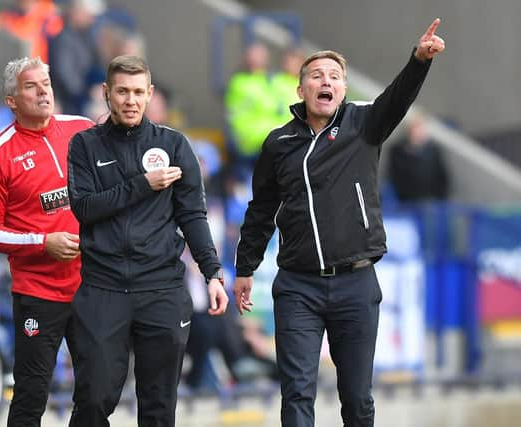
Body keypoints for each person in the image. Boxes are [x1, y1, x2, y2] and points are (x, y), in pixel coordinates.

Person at [232, 18, 446, 427]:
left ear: (344, 90)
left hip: (355, 282)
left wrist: (419, 60)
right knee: (296, 393)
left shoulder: (363, 125)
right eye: (316, 75)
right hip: (297, 286)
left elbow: (397, 98)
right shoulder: (279, 143)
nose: (325, 81)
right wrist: (245, 268)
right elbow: (260, 210)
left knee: (357, 399)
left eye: (334, 76)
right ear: (301, 90)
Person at [66, 54, 229, 427]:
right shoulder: (84, 146)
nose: (130, 100)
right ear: (107, 93)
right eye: (122, 91)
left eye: (138, 92)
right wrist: (143, 185)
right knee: (93, 398)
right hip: (103, 288)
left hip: (162, 289)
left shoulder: (174, 145)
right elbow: (85, 208)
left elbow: (192, 216)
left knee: (158, 408)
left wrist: (212, 272)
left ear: (150, 94)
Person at [0, 56, 93, 427]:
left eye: (47, 84)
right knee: (31, 393)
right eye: (31, 86)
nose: (43, 93)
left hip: (92, 286)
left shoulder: (84, 130)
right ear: (11, 100)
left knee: (98, 389)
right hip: (38, 292)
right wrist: (44, 242)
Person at [388, 111, 450, 202]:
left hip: (431, 200)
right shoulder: (398, 151)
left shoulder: (434, 151)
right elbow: (396, 177)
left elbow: (442, 178)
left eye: (422, 128)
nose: (419, 132)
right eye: (416, 128)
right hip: (406, 201)